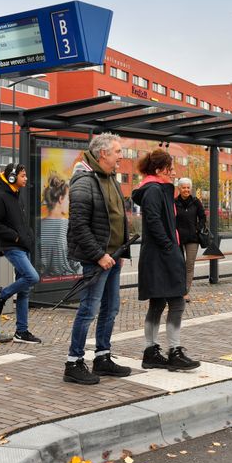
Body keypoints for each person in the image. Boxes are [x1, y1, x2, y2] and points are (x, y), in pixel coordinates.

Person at [64, 133, 132, 384]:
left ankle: (102, 357)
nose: (121, 157)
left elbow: (118, 217)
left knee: (110, 309)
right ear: (103, 153)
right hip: (98, 259)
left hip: (112, 257)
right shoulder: (83, 180)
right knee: (88, 309)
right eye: (117, 152)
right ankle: (73, 362)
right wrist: (99, 255)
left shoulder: (110, 178)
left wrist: (120, 251)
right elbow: (79, 225)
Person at [133, 150, 199, 371]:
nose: (174, 173)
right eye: (170, 169)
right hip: (161, 255)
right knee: (176, 301)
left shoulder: (157, 188)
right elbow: (153, 220)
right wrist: (169, 246)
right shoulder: (154, 190)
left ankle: (151, 350)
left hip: (159, 254)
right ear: (159, 170)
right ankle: (174, 351)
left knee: (159, 302)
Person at [0, 163, 42, 344]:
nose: (26, 179)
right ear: (12, 177)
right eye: (23, 176)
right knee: (32, 277)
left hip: (23, 246)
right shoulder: (1, 198)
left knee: (25, 291)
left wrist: (28, 237)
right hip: (12, 246)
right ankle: (2, 295)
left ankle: (21, 331)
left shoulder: (18, 197)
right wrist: (16, 237)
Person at [41, 174, 82, 277]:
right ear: (60, 199)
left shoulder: (39, 225)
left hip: (42, 278)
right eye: (68, 198)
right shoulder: (67, 225)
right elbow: (74, 260)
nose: (70, 202)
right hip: (64, 278)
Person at [173, 177, 207, 303]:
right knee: (179, 265)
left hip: (193, 238)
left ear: (190, 188)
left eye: (188, 187)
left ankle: (185, 292)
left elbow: (203, 217)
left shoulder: (195, 202)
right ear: (179, 188)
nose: (186, 190)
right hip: (178, 238)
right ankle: (177, 290)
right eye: (184, 187)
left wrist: (197, 229)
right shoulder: (174, 202)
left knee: (189, 265)